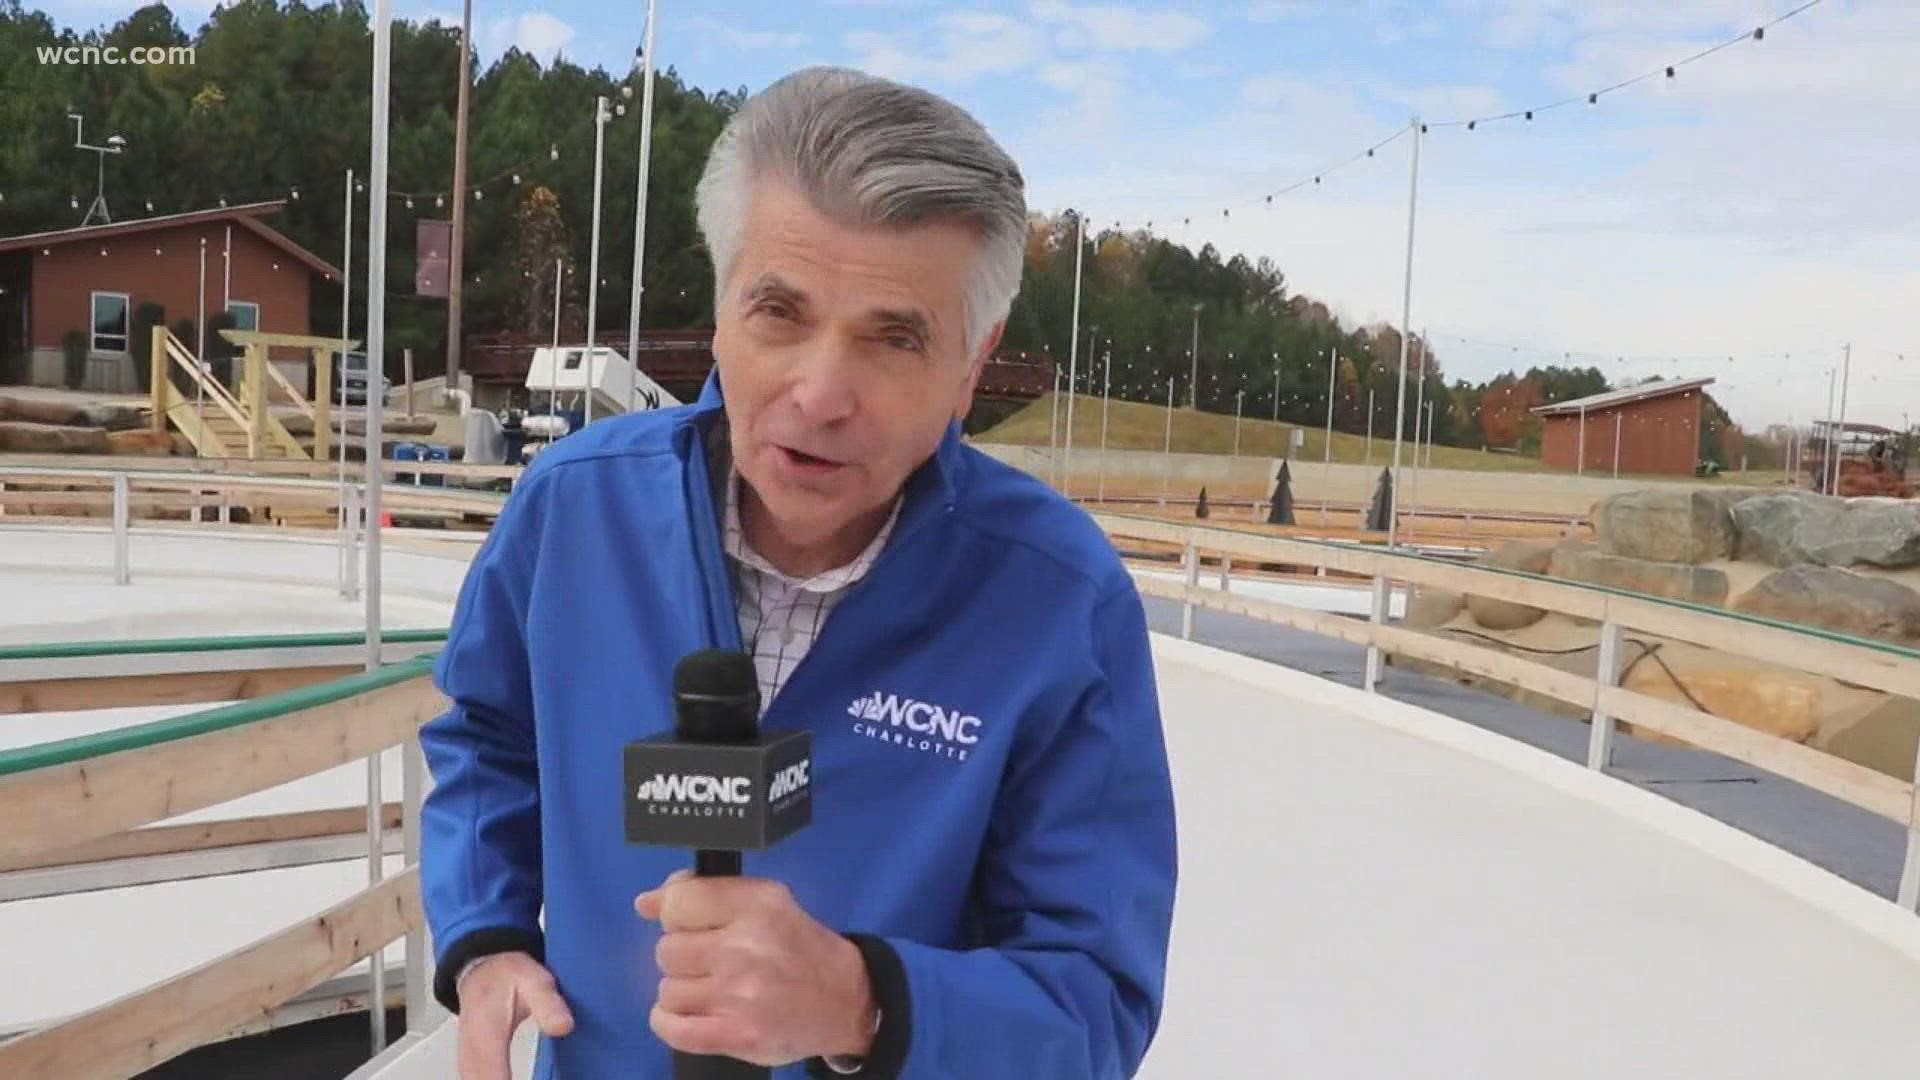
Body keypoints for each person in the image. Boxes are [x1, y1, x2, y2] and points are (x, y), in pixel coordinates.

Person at [420, 66, 1178, 1079]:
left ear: (972, 364)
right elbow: (489, 740)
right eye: (780, 312)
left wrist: (864, 1005)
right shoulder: (574, 512)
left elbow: (1095, 1001)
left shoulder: (1055, 604)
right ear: (724, 308)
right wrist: (485, 936)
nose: (821, 395)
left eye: (894, 338)